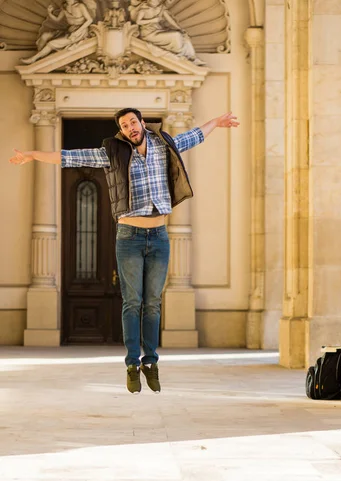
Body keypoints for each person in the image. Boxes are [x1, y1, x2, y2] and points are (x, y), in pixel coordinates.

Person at [10, 109, 240, 394]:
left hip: (159, 237)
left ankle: (151, 363)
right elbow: (70, 157)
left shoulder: (163, 144)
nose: (130, 127)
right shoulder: (112, 152)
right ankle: (132, 365)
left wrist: (216, 122)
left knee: (153, 303)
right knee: (133, 302)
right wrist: (32, 155)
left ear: (142, 123)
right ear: (121, 131)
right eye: (124, 125)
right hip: (129, 236)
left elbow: (193, 137)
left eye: (133, 122)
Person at [21, 0, 95, 65]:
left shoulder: (80, 6)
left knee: (51, 43)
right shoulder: (65, 7)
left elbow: (89, 20)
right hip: (70, 30)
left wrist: (78, 32)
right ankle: (40, 56)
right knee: (44, 36)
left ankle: (34, 59)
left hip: (80, 32)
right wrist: (49, 13)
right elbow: (57, 19)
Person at [131, 0, 204, 65]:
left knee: (183, 35)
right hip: (148, 34)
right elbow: (138, 22)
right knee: (176, 35)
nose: (157, 1)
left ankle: (192, 58)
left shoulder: (161, 8)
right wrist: (153, 20)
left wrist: (180, 29)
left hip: (157, 30)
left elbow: (170, 20)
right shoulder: (144, 9)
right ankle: (180, 55)